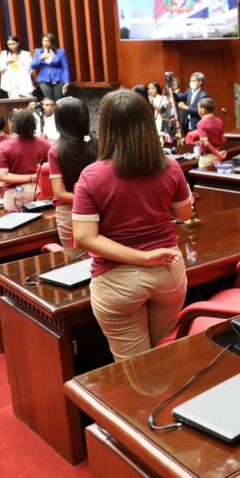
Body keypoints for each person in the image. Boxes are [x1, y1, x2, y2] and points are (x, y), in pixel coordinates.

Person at [72, 90, 191, 361]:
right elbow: (184, 213)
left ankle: (146, 404)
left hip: (118, 280)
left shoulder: (91, 175)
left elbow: (84, 237)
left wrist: (142, 258)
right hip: (168, 270)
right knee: (163, 355)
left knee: (135, 366)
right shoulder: (169, 166)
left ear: (106, 126)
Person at [48, 98, 98, 248]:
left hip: (70, 212)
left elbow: (60, 193)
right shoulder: (97, 142)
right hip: (98, 207)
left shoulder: (56, 150)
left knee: (74, 261)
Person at [0, 109, 51, 210]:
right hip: (41, 191)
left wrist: (32, 178)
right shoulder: (45, 143)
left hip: (16, 193)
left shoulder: (4, 146)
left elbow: (0, 175)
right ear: (34, 124)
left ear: (13, 125)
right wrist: (34, 177)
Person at [31, 32, 71, 99]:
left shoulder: (60, 52)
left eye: (48, 41)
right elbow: (33, 66)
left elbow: (65, 68)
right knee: (49, 100)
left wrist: (67, 82)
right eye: (43, 41)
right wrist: (41, 58)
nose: (45, 43)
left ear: (52, 42)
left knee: (59, 101)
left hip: (59, 79)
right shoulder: (38, 52)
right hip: (44, 79)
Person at [195, 97, 226, 168]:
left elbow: (205, 143)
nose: (198, 110)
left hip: (207, 159)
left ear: (202, 110)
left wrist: (217, 153)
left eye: (198, 108)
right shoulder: (219, 121)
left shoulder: (201, 123)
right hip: (217, 157)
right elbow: (223, 139)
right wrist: (217, 151)